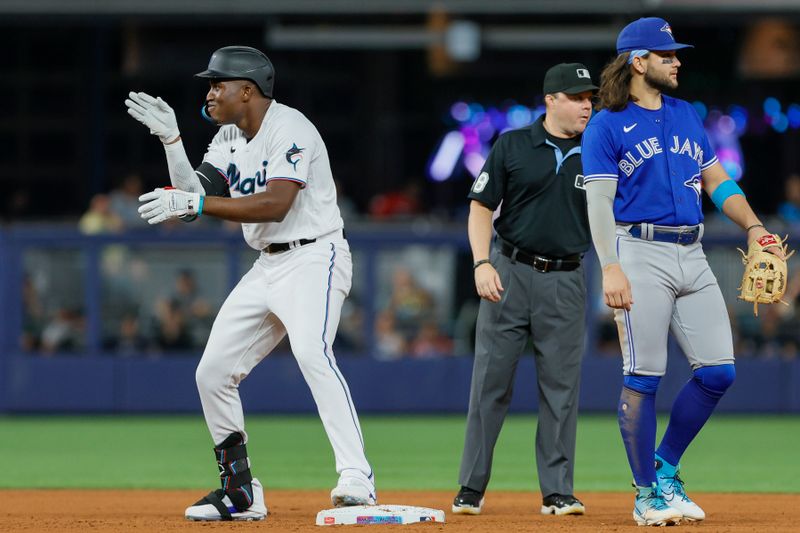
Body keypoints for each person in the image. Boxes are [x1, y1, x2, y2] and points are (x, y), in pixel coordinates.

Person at [124, 45, 376, 521]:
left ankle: (357, 475)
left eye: (218, 83)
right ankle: (240, 492)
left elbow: (274, 204)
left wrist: (195, 206)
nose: (211, 92)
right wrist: (172, 141)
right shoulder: (227, 137)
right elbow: (197, 197)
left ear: (248, 90)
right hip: (267, 264)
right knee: (212, 373)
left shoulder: (291, 128)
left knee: (311, 353)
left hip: (314, 255)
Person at [581, 17, 785, 527]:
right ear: (638, 61)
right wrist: (610, 268)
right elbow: (600, 206)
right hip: (638, 251)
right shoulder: (607, 125)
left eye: (676, 54)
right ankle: (646, 495)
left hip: (692, 252)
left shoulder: (686, 114)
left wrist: (755, 227)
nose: (677, 61)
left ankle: (665, 468)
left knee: (719, 371)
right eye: (667, 54)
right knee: (644, 377)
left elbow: (717, 181)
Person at [453, 63, 597, 518]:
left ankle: (557, 492)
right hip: (509, 271)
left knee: (561, 389)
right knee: (489, 385)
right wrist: (480, 263)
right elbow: (480, 207)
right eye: (576, 96)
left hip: (567, 279)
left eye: (589, 97)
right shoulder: (513, 144)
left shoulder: (599, 152)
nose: (586, 104)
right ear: (551, 99)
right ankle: (471, 487)